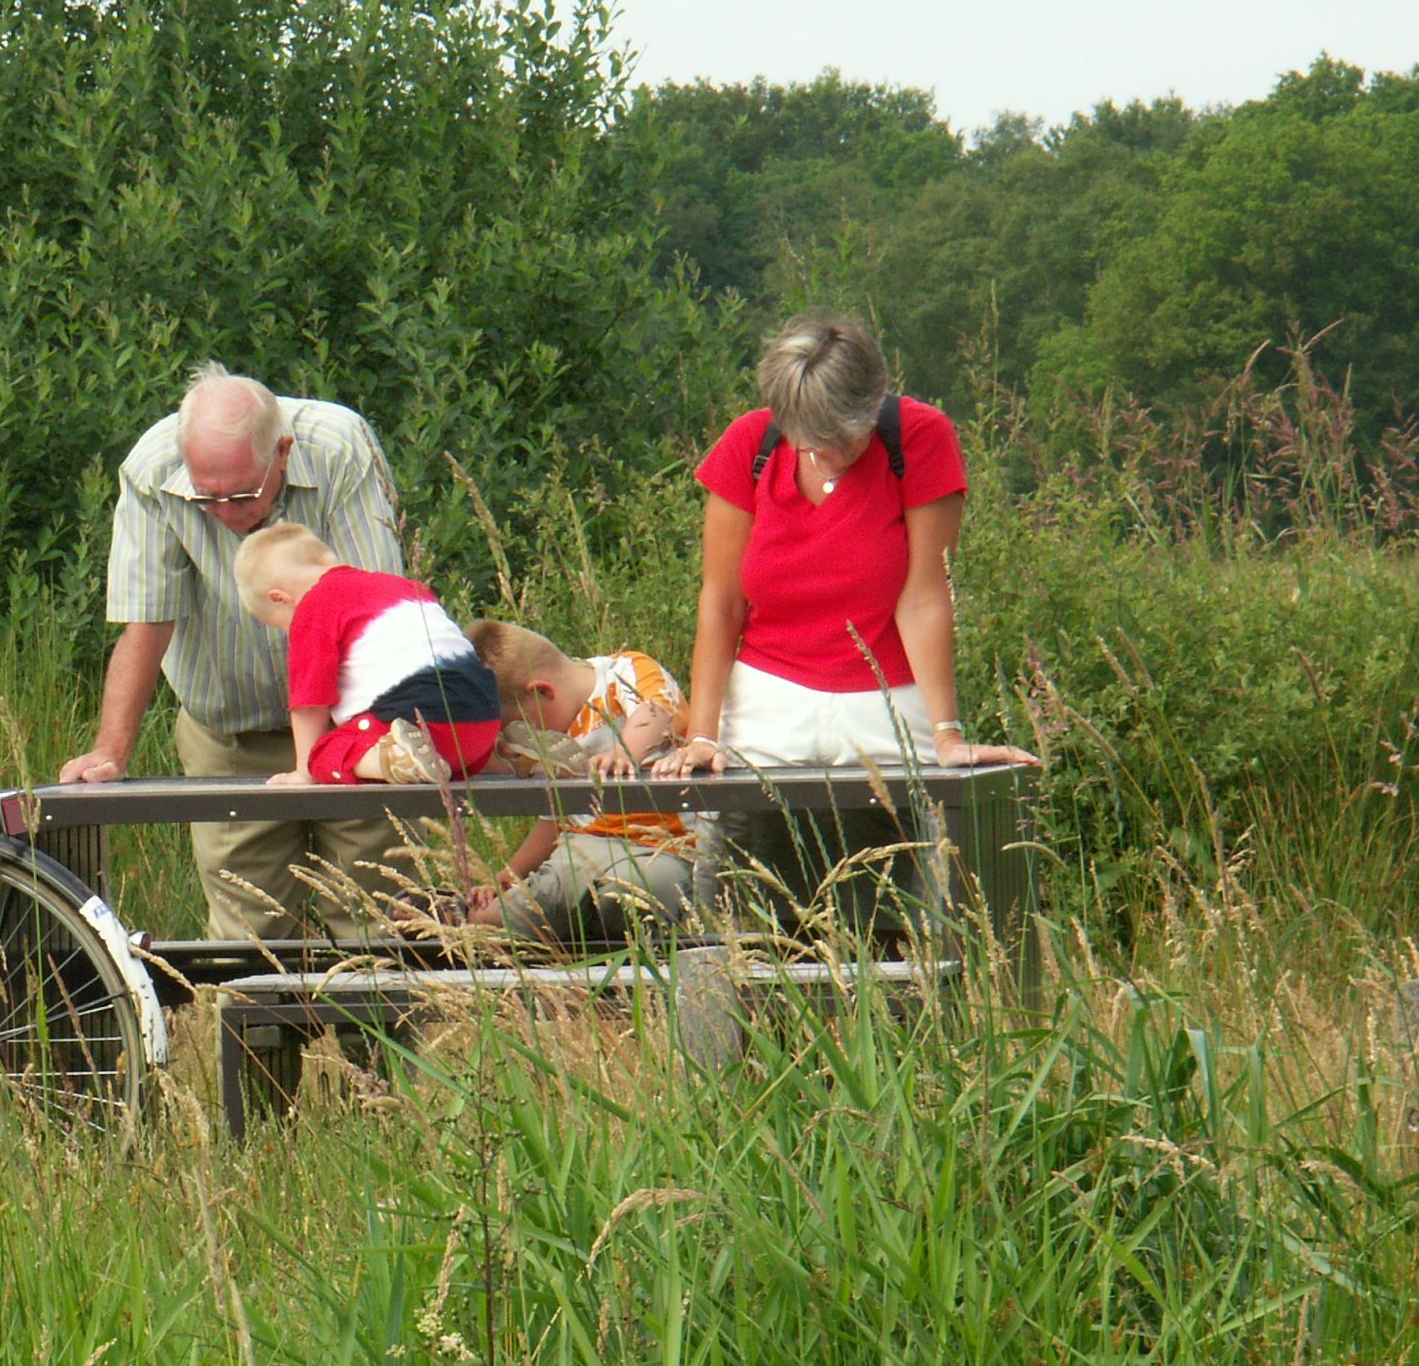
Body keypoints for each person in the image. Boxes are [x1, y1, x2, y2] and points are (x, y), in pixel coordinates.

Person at [649, 310, 1035, 931]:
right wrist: (702, 731)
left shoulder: (921, 437)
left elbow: (925, 595)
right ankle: (748, 1011)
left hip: (886, 704)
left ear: (874, 402)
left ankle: (906, 1013)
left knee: (905, 903)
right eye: (804, 436)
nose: (822, 453)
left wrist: (946, 735)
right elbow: (721, 602)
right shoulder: (750, 444)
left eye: (838, 435)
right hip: (766, 706)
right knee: (746, 901)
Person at [58, 365, 413, 939]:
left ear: (283, 453)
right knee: (251, 942)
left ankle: (374, 1032)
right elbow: (147, 622)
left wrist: (348, 745)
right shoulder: (153, 470)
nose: (225, 513)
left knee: (376, 926)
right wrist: (110, 751)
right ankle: (263, 1032)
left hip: (357, 731)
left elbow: (373, 611)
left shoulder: (339, 449)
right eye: (208, 498)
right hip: (229, 736)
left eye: (242, 495)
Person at [459, 620, 694, 943]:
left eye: (518, 726)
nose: (517, 741)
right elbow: (553, 819)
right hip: (579, 852)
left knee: (633, 894)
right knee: (492, 921)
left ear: (541, 691)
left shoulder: (624, 671)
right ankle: (448, 910)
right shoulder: (552, 747)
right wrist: (507, 877)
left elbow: (658, 710)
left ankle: (602, 933)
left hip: (659, 848)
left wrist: (625, 752)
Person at [233, 523, 502, 787]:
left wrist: (304, 771)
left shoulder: (314, 605)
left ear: (280, 599)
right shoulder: (407, 587)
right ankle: (508, 755)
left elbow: (309, 702)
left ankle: (399, 758)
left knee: (325, 754)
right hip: (484, 722)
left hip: (422, 722)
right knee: (448, 737)